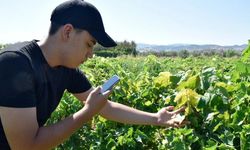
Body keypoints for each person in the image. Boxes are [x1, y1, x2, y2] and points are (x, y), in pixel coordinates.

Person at [0, 0, 187, 149]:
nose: (91, 54)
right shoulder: (15, 64)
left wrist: (156, 118)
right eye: (89, 44)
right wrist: (87, 112)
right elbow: (26, 146)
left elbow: (105, 107)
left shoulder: (66, 69)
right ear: (68, 32)